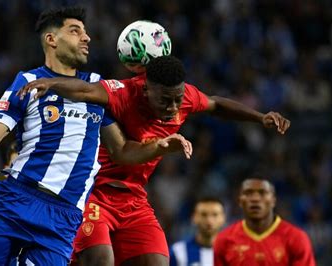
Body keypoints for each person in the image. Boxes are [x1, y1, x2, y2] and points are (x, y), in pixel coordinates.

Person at [0, 7, 192, 266]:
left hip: (64, 217)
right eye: (75, 31)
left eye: (85, 32)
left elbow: (121, 150)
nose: (86, 37)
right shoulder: (27, 81)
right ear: (51, 39)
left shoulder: (97, 88)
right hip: (19, 198)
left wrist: (160, 147)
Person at [17, 55, 291, 265]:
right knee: (101, 260)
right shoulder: (122, 94)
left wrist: (260, 117)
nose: (173, 108)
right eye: (166, 100)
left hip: (134, 199)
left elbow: (217, 104)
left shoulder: (183, 99)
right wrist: (52, 83)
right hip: (93, 194)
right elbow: (88, 94)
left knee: (158, 260)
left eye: (178, 100)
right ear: (147, 89)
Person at [213, 178, 316, 266]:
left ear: (273, 201)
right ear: (240, 201)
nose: (255, 199)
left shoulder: (296, 238)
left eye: (262, 193)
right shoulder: (224, 240)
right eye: (248, 193)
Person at [169, 197, 226, 266]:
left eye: (215, 215)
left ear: (223, 218)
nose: (209, 220)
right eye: (204, 215)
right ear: (194, 217)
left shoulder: (234, 252)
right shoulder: (177, 252)